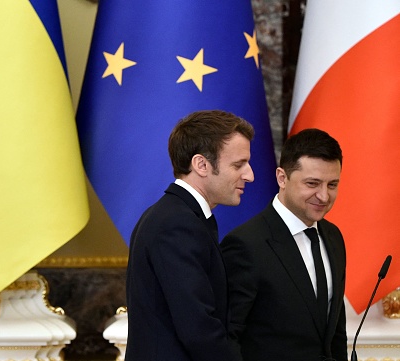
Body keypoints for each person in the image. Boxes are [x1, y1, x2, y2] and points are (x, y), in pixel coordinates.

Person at [125, 110, 255, 361]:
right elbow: (198, 328)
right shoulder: (177, 224)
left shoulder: (174, 216)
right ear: (202, 165)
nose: (250, 175)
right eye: (238, 165)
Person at [221, 128, 347, 361]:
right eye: (312, 183)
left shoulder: (334, 237)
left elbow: (335, 332)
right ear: (282, 178)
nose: (324, 196)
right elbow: (228, 338)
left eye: (332, 185)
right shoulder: (245, 245)